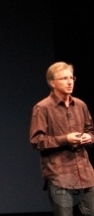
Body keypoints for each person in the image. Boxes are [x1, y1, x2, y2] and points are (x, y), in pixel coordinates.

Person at [30, 61, 94, 215]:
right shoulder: (43, 108)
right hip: (60, 174)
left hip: (85, 174)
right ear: (52, 83)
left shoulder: (80, 105)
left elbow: (90, 130)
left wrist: (89, 137)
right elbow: (37, 141)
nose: (70, 82)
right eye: (64, 78)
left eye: (71, 78)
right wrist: (66, 139)